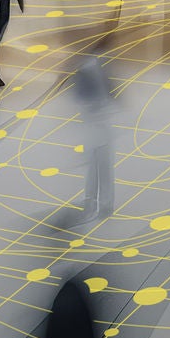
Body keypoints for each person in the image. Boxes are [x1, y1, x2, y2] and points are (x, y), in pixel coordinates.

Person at [69, 33, 118, 218]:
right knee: (101, 165)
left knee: (95, 165)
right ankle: (101, 203)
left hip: (94, 123)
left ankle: (93, 202)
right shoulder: (93, 68)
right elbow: (107, 92)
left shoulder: (90, 67)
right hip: (97, 123)